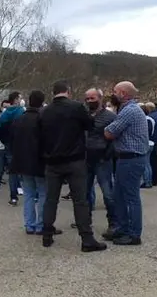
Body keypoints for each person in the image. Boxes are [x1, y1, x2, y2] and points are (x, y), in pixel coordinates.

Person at [39, 81, 107, 252]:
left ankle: (47, 234)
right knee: (80, 201)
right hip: (74, 160)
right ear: (68, 91)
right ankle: (87, 238)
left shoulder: (44, 111)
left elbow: (39, 137)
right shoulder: (77, 107)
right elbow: (90, 126)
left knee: (50, 199)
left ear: (53, 93)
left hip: (52, 162)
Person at [104, 81, 150, 246]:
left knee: (130, 198)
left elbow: (110, 133)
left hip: (131, 159)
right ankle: (122, 229)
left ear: (123, 93)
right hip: (127, 159)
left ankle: (134, 234)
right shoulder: (128, 109)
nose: (112, 94)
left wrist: (101, 126)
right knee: (119, 196)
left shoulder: (129, 111)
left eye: (114, 91)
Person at [11, 90, 48, 235]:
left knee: (28, 194)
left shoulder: (19, 119)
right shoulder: (43, 119)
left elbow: (10, 138)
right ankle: (41, 224)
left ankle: (29, 224)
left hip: (22, 161)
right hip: (39, 161)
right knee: (43, 193)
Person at [83, 88, 117, 236]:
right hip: (85, 159)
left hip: (103, 160)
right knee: (84, 194)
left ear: (100, 98)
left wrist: (107, 155)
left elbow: (115, 138)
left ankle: (113, 223)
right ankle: (85, 222)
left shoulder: (110, 116)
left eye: (92, 98)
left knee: (108, 194)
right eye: (88, 99)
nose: (90, 101)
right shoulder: (83, 116)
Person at [0, 91, 25, 205]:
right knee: (26, 169)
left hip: (9, 144)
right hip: (21, 144)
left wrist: (6, 142)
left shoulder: (4, 114)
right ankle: (34, 195)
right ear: (16, 99)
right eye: (20, 98)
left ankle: (13, 197)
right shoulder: (21, 111)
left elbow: (0, 131)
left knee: (12, 171)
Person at [145, 102, 157, 186]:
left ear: (148, 109)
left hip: (154, 141)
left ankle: (154, 180)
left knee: (153, 162)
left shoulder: (150, 117)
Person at [139, 103, 156, 189]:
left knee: (145, 164)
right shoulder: (151, 119)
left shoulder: (143, 120)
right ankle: (149, 181)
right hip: (151, 142)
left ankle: (147, 182)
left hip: (145, 143)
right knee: (148, 164)